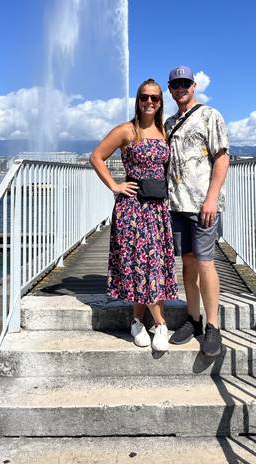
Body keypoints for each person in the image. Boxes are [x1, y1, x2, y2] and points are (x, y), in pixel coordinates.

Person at [90, 79, 178, 351]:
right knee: (141, 263)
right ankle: (161, 324)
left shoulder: (165, 130)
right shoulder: (127, 130)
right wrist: (115, 185)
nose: (149, 102)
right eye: (144, 97)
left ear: (161, 102)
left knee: (155, 265)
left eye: (154, 98)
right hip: (133, 208)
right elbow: (96, 157)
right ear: (137, 100)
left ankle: (137, 322)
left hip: (158, 207)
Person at [165, 65, 230, 357]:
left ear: (194, 86)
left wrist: (212, 198)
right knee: (188, 264)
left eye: (185, 84)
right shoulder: (167, 124)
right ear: (170, 89)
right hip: (176, 204)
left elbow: (222, 158)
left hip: (203, 204)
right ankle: (194, 319)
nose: (181, 89)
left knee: (206, 264)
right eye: (175, 85)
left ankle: (213, 327)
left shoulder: (209, 115)